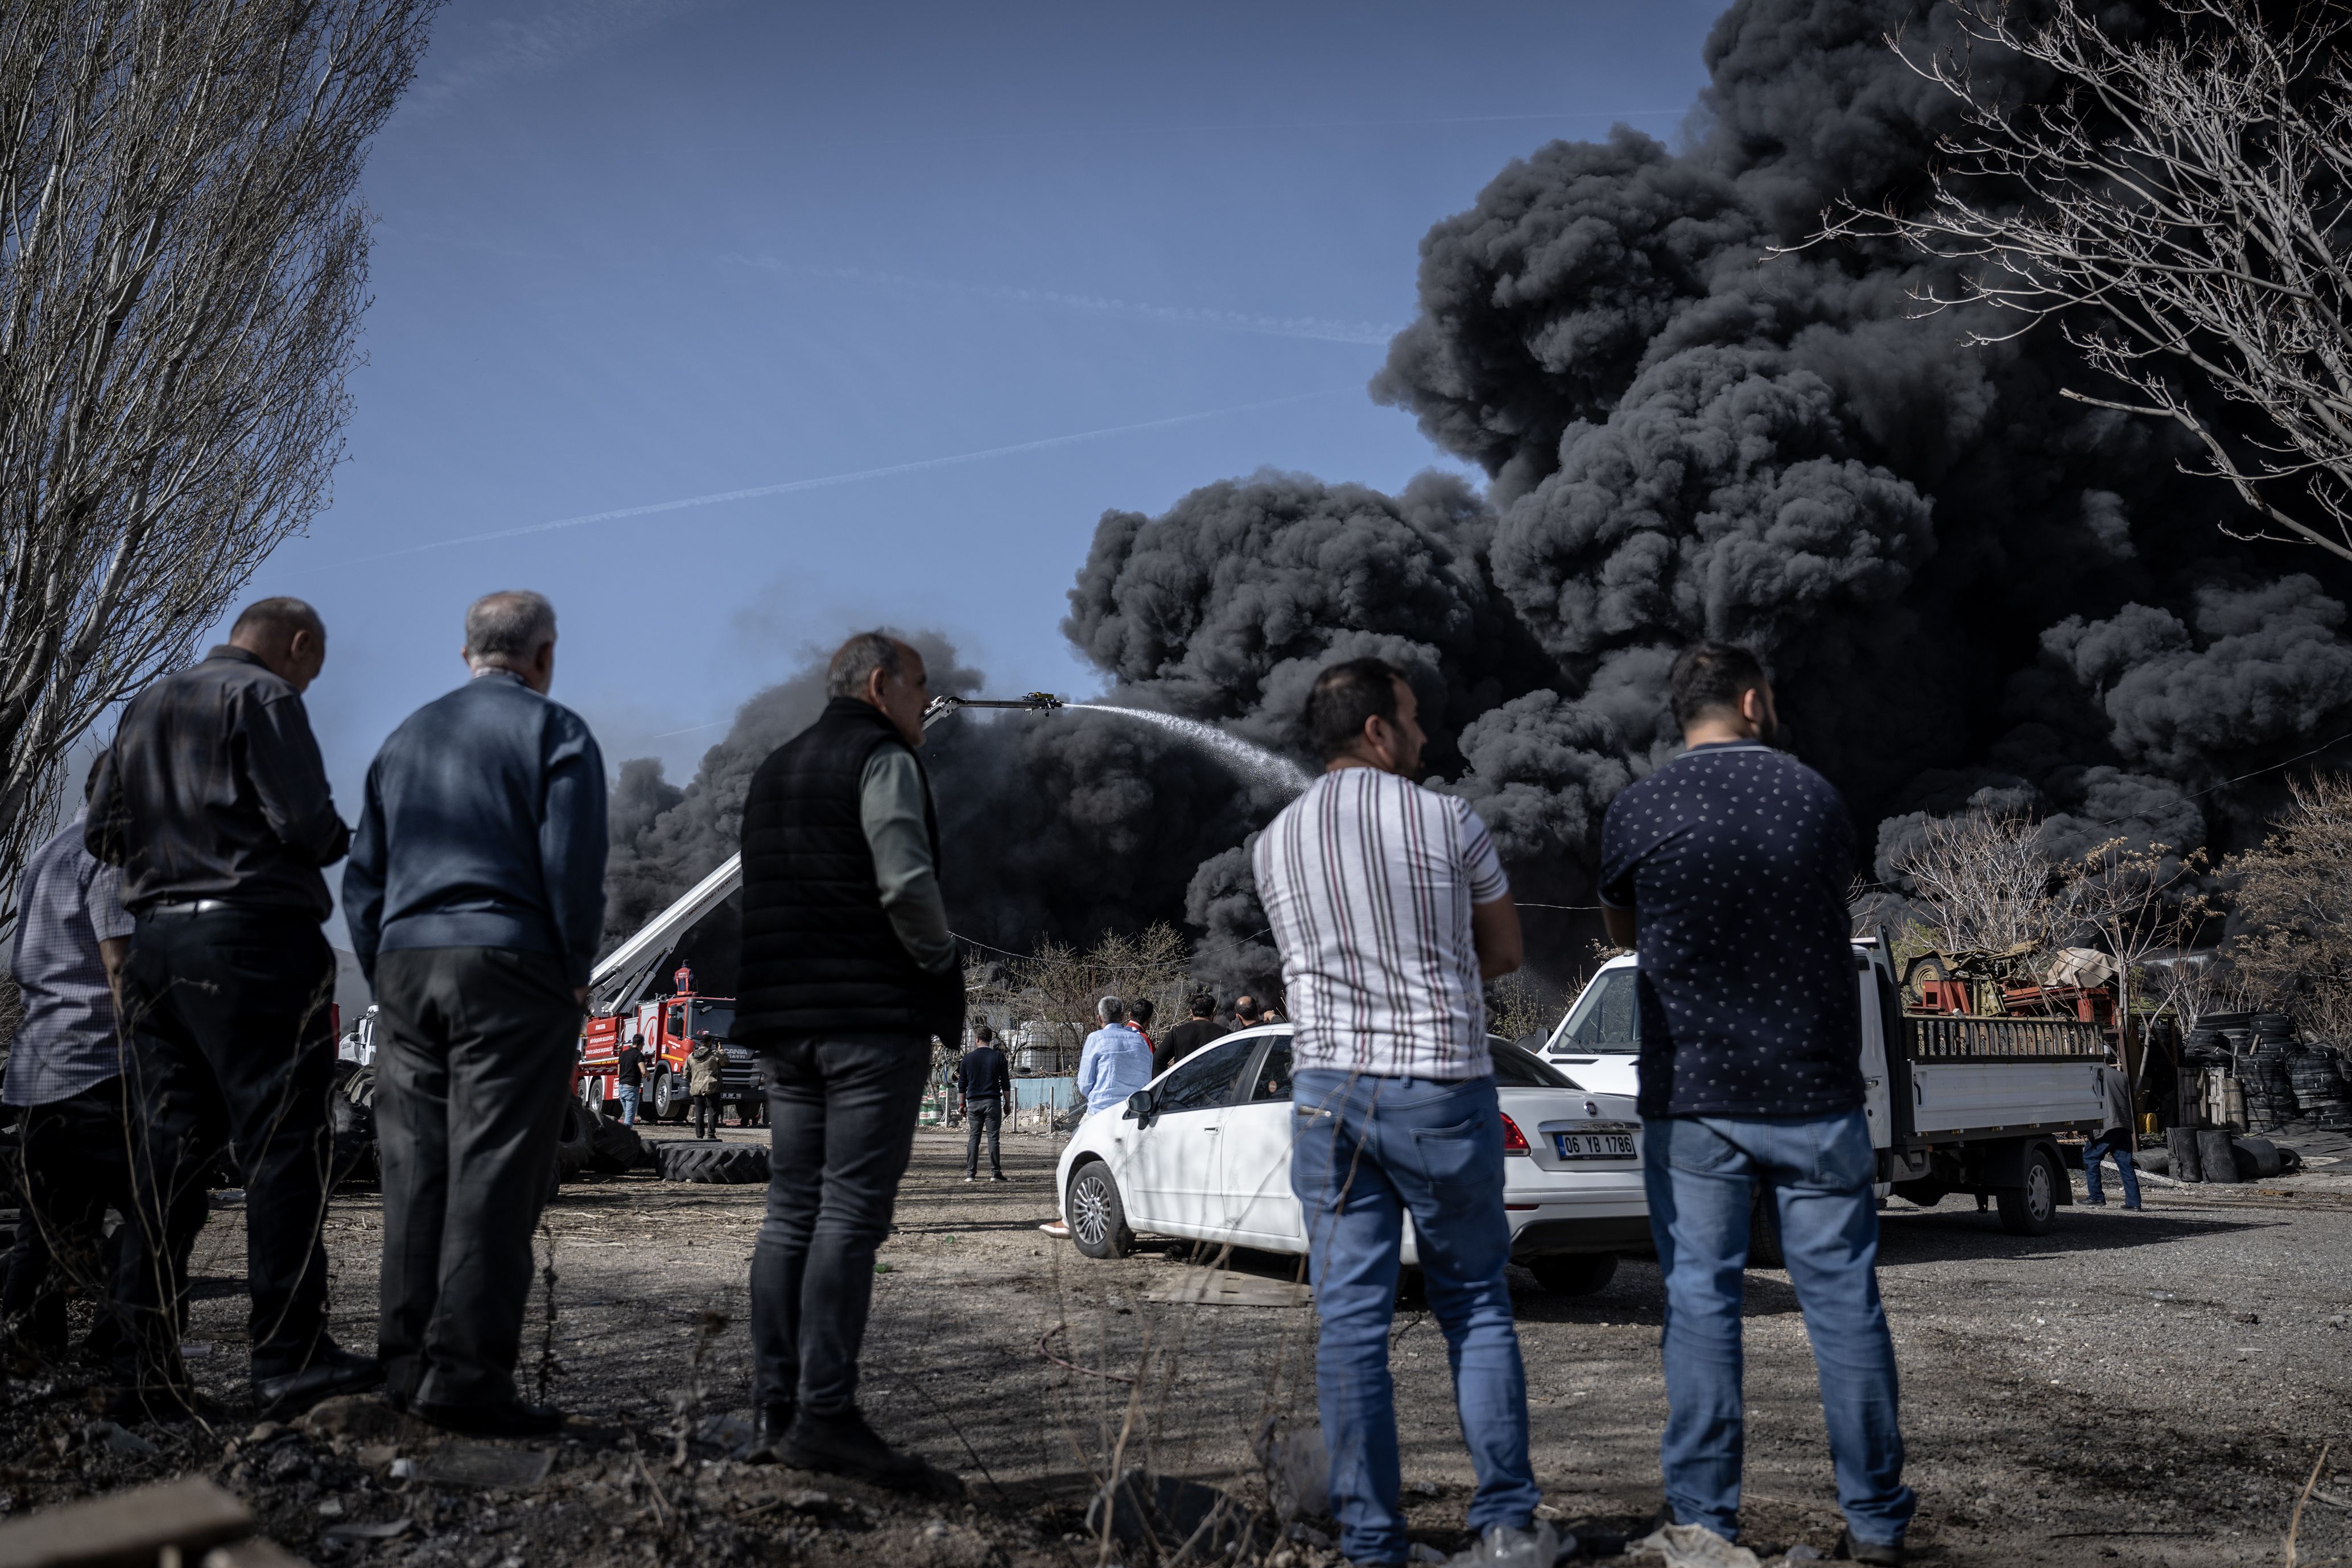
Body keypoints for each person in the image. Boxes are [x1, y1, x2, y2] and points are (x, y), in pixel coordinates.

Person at [1598, 642, 1913, 1566]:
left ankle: (1703, 1520)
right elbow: (1827, 900)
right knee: (1843, 1304)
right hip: (1813, 1096)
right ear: (1748, 701)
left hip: (1692, 1098)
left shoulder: (1637, 807)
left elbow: (1622, 928)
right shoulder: (1811, 798)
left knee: (1699, 1305)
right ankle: (1875, 1523)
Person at [1252, 657, 1544, 1568]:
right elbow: (1502, 955)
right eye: (1412, 720)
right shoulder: (1446, 818)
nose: (1423, 736)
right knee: (1474, 1306)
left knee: (1348, 1322)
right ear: (1377, 731)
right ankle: (1504, 1524)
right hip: (1438, 1087)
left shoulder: (1274, 841)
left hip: (1326, 1097)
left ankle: (1372, 1543)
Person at [85, 597, 377, 1422]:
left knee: (166, 1161)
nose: (310, 682)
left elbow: (101, 835)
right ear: (297, 643)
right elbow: (308, 825)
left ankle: (140, 1365)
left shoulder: (146, 704)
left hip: (154, 950)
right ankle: (289, 1356)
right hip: (250, 945)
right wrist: (334, 837)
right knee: (284, 1148)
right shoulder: (265, 701)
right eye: (313, 667)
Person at [343, 591, 607, 1437]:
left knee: (413, 1167)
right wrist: (572, 970)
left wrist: (386, 960)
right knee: (494, 1172)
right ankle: (467, 1381)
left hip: (408, 966)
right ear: (544, 656)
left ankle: (404, 1366)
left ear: (466, 654)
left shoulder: (404, 738)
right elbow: (573, 865)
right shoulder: (556, 733)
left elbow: (363, 876)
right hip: (513, 964)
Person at [735, 631, 963, 1490]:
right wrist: (939, 959)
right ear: (879, 685)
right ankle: (826, 1416)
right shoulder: (882, 759)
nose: (924, 705)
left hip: (782, 1025)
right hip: (867, 1021)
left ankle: (773, 1408)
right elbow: (906, 884)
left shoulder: (776, 767)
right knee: (850, 1217)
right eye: (918, 688)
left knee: (790, 1212)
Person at [2, 778, 141, 1363]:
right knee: (160, 1211)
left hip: (37, 1069)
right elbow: (120, 970)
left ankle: (30, 1352)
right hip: (95, 1068)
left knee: (47, 1225)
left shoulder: (48, 851)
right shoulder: (111, 855)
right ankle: (120, 1347)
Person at [1075, 996, 1153, 1116]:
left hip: (1100, 1112)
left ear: (1099, 1018)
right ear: (1122, 1016)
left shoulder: (1095, 1039)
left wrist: (1099, 1098)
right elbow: (1148, 1079)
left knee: (1079, 1134)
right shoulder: (1141, 1040)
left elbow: (1085, 1084)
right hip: (1133, 1112)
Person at [2083, 1057, 2143, 1210]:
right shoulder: (2121, 1076)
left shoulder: (2093, 1075)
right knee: (2126, 1165)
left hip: (2106, 1125)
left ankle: (2096, 1197)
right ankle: (2134, 1202)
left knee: (2090, 1158)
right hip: (2124, 1124)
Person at [958, 1025, 1010, 1182]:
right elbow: (1005, 1083)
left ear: (977, 1039)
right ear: (991, 1040)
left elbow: (962, 1084)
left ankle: (970, 1174)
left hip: (973, 1103)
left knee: (974, 1137)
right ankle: (995, 1173)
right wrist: (1008, 1104)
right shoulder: (999, 1057)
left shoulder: (967, 1059)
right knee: (993, 1138)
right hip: (992, 1102)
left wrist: (962, 1105)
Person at [1156, 993, 1228, 1072]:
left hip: (1184, 1083)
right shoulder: (1225, 1033)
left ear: (1191, 1012)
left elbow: (1157, 1061)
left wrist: (1166, 1083)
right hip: (1215, 1083)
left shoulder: (1177, 1032)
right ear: (1213, 1012)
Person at [688, 1031, 724, 1140]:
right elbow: (726, 1062)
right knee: (712, 1111)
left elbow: (686, 1072)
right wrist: (721, 1051)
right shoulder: (714, 1055)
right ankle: (711, 1134)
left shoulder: (691, 1056)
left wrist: (694, 1080)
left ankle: (699, 1136)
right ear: (709, 1043)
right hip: (711, 1087)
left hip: (696, 1088)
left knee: (699, 1112)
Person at [614, 1038, 646, 1125]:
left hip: (621, 1088)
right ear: (640, 1044)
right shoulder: (639, 1055)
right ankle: (626, 1137)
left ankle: (623, 1135)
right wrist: (648, 1074)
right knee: (629, 1118)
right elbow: (643, 1071)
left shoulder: (623, 1054)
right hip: (631, 1088)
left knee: (627, 1114)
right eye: (643, 1045)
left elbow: (619, 1072)